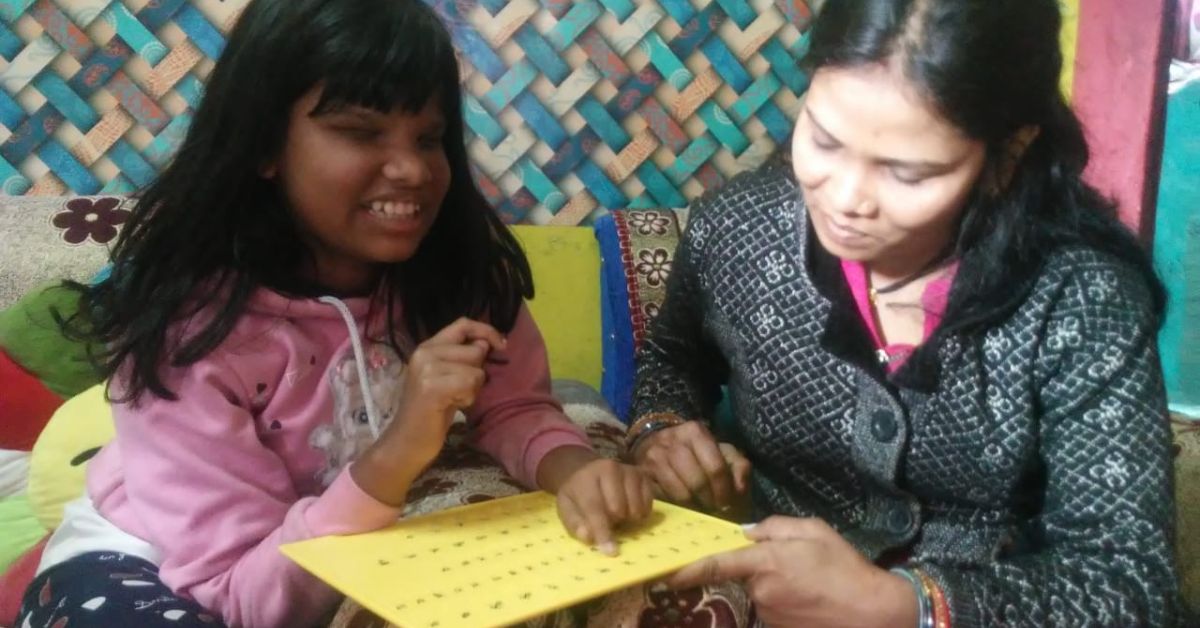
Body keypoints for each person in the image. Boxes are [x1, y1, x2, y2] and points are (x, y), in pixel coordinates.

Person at [19, 1, 652, 626]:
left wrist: (574, 470)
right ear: (265, 144)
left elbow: (513, 406)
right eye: (360, 131)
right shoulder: (192, 336)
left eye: (429, 138)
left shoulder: (456, 275)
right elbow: (245, 598)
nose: (412, 170)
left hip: (344, 536)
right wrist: (398, 451)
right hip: (163, 566)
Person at [627, 0, 1182, 625]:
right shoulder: (735, 230)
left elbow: (1131, 583)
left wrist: (905, 607)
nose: (843, 199)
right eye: (823, 139)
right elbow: (673, 358)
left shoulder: (1080, 298)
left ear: (1006, 156)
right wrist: (663, 430)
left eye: (909, 174)